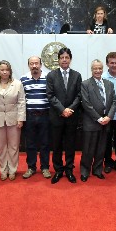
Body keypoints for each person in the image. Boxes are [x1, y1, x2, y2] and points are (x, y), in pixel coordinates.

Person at [46, 47, 82, 184]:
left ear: (70, 59)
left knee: (70, 145)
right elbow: (50, 95)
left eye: (67, 57)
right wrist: (62, 110)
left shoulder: (77, 75)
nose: (64, 60)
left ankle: (69, 170)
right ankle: (58, 170)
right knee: (56, 145)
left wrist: (70, 109)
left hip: (72, 116)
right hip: (57, 116)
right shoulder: (51, 75)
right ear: (58, 60)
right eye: (62, 58)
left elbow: (79, 95)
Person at [0, 60, 26, 181]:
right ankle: (3, 170)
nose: (4, 72)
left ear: (10, 71)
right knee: (1, 147)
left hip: (14, 119)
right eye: (2, 69)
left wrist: (21, 119)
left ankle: (12, 170)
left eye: (7, 70)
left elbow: (21, 102)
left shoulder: (17, 84)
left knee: (13, 146)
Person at [80, 59, 116, 182]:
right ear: (91, 70)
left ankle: (97, 170)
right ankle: (85, 171)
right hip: (91, 122)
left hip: (106, 122)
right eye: (95, 68)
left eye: (100, 68)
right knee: (88, 149)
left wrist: (109, 117)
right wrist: (99, 118)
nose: (97, 70)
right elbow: (86, 104)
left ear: (103, 69)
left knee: (101, 149)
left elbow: (114, 102)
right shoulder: (85, 84)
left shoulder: (109, 84)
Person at [20, 56, 52, 179]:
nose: (34, 66)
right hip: (30, 116)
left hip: (45, 115)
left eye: (36, 63)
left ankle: (45, 167)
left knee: (45, 143)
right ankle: (31, 167)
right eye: (31, 64)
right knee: (30, 143)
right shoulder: (23, 79)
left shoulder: (48, 78)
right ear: (28, 65)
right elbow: (21, 99)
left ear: (41, 64)